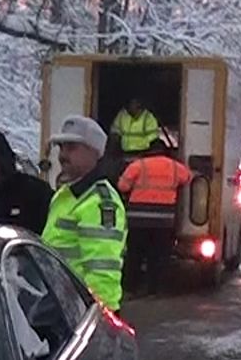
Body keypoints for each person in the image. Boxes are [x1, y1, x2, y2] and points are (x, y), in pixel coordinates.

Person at [42, 115, 127, 313]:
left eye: (71, 148)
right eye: (61, 147)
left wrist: (99, 322)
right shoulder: (67, 194)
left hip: (79, 315)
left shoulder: (100, 203)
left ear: (94, 152)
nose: (62, 155)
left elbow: (102, 275)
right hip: (61, 306)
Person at [117, 137, 193, 295]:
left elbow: (122, 186)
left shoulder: (138, 165)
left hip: (138, 219)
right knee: (159, 255)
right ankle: (156, 288)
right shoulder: (175, 167)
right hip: (163, 220)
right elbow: (188, 178)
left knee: (135, 255)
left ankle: (132, 288)